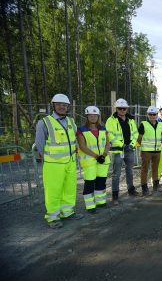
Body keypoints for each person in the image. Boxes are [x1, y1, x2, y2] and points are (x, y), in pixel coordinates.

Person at [35, 94, 83, 228]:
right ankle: (53, 217)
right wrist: (48, 159)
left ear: (68, 107)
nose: (62, 107)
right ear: (53, 106)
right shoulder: (44, 122)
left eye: (64, 105)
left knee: (69, 188)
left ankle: (67, 212)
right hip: (53, 165)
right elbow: (39, 144)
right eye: (58, 104)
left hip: (70, 162)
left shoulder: (71, 122)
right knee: (53, 191)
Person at [76, 106, 111, 213]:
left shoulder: (103, 129)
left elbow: (107, 143)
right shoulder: (81, 130)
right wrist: (97, 156)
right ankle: (90, 206)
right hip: (90, 161)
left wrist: (104, 155)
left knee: (101, 182)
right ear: (87, 116)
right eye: (90, 115)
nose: (93, 117)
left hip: (103, 160)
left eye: (95, 115)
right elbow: (82, 146)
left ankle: (100, 202)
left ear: (98, 116)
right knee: (89, 183)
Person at [106, 98, 139, 202]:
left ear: (126, 109)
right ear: (116, 108)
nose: (122, 110)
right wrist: (122, 145)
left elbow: (135, 133)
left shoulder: (131, 120)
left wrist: (132, 144)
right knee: (116, 173)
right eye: (120, 108)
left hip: (130, 149)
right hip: (118, 151)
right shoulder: (110, 120)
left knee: (130, 171)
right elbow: (110, 135)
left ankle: (131, 189)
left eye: (124, 108)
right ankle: (115, 195)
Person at [137, 106, 162, 196]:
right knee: (144, 170)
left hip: (157, 150)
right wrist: (140, 148)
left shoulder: (160, 125)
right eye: (150, 114)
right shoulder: (143, 124)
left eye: (154, 114)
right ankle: (144, 188)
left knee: (155, 169)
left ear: (157, 115)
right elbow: (139, 138)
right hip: (146, 151)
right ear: (147, 115)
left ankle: (156, 186)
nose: (152, 116)